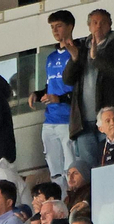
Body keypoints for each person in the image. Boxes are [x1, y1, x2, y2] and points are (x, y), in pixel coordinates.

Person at [63, 8, 114, 166]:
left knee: (111, 164)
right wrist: (74, 58)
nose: (98, 26)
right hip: (83, 122)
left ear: (110, 25)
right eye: (95, 23)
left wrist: (95, 58)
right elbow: (67, 80)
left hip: (109, 120)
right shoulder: (81, 47)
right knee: (88, 168)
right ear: (89, 26)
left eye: (103, 23)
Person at [35, 12, 78, 185]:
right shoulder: (51, 57)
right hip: (49, 119)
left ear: (70, 26)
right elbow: (50, 86)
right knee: (55, 171)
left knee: (71, 168)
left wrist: (60, 99)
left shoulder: (77, 53)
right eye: (52, 27)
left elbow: (81, 89)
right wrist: (37, 94)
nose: (55, 30)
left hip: (68, 120)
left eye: (58, 26)